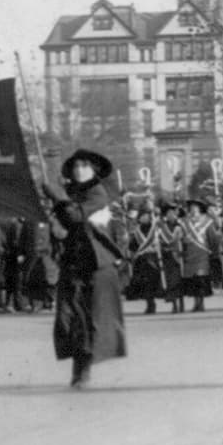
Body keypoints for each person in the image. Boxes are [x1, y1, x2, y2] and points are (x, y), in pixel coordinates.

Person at [45, 149, 128, 388]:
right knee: (66, 318)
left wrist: (58, 197)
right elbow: (61, 225)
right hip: (72, 261)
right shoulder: (69, 192)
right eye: (75, 166)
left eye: (84, 165)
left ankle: (82, 371)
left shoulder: (98, 192)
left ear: (94, 170)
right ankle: (80, 367)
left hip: (97, 264)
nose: (79, 169)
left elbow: (75, 216)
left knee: (89, 319)